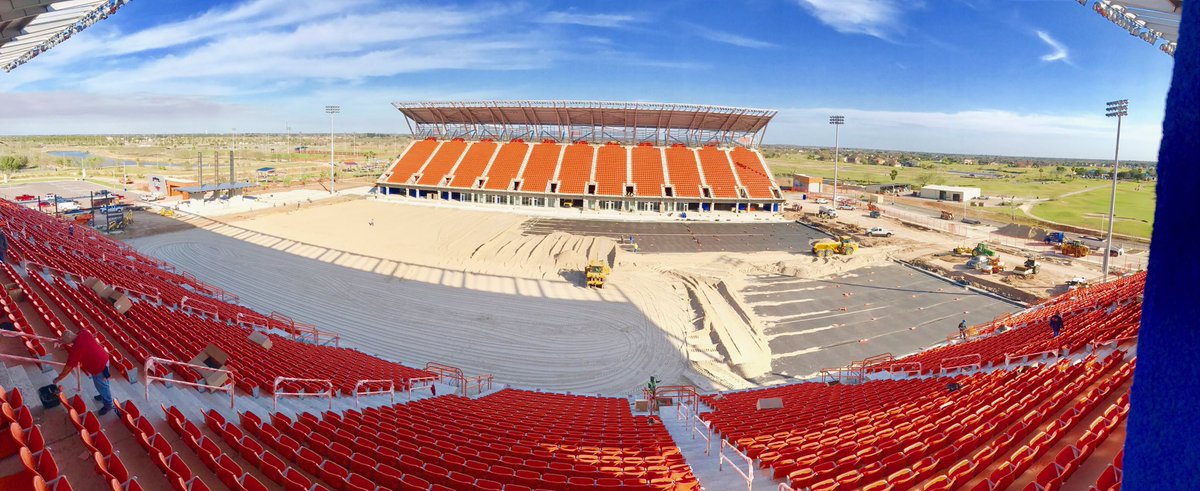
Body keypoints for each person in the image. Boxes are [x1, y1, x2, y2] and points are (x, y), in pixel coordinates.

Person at [53, 330, 117, 416]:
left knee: (102, 386)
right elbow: (80, 332)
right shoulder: (84, 333)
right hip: (104, 359)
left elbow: (68, 367)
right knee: (103, 384)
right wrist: (62, 340)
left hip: (98, 367)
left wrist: (59, 378)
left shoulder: (77, 348)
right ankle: (103, 395)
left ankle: (109, 404)